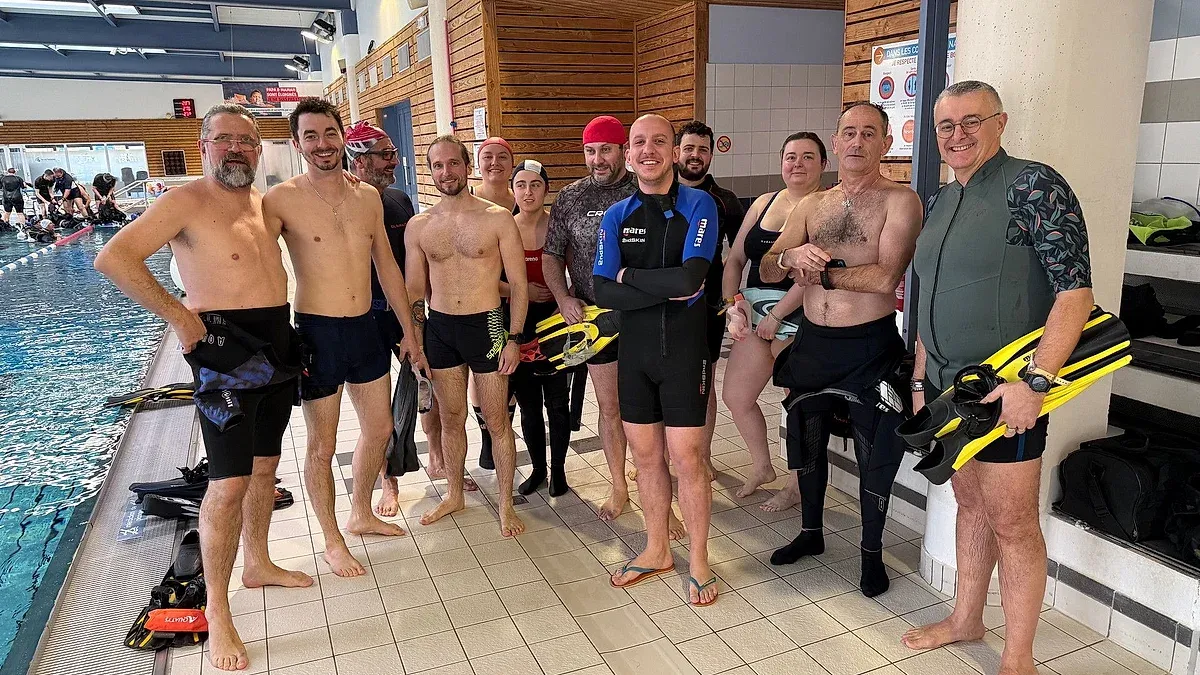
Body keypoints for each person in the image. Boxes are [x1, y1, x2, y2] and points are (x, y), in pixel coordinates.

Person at [94, 103, 313, 672]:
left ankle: (258, 562)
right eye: (224, 140)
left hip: (275, 346)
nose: (236, 148)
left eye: (246, 140)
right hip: (223, 352)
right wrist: (181, 319)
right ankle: (218, 612)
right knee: (227, 485)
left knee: (265, 467)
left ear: (259, 148)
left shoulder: (263, 204)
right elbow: (114, 258)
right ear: (204, 144)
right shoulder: (185, 202)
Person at [901, 81, 1094, 675]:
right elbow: (928, 293)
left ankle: (1018, 658)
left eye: (970, 122)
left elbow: (1076, 293)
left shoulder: (1034, 185)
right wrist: (918, 375)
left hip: (1009, 385)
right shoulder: (937, 200)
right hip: (945, 384)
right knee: (967, 500)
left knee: (1012, 520)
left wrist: (1035, 383)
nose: (956, 135)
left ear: (1000, 122)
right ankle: (966, 619)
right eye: (945, 125)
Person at [760, 103, 923, 598]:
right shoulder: (811, 204)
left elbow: (884, 278)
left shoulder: (901, 201)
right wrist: (789, 255)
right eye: (848, 132)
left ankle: (871, 556)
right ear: (836, 140)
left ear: (885, 141)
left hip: (868, 346)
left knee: (877, 450)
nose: (856, 142)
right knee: (805, 440)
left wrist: (821, 272)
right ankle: (811, 534)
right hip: (814, 341)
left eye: (868, 133)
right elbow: (767, 269)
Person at [264, 98, 424, 578]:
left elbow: (388, 267)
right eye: (309, 136)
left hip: (365, 329)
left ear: (342, 140)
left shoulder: (367, 197)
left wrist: (411, 331)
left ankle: (360, 512)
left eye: (328, 133)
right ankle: (332, 539)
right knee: (322, 443)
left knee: (379, 430)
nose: (321, 144)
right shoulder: (281, 199)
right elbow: (254, 259)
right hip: (318, 331)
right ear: (297, 144)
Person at [597, 114, 720, 606]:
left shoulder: (700, 205)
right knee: (646, 458)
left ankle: (699, 560)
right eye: (639, 143)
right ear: (629, 155)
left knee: (687, 459)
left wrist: (628, 278)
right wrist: (651, 286)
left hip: (687, 355)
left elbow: (690, 281)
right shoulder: (616, 215)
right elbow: (602, 290)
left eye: (659, 142)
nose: (648, 151)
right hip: (636, 357)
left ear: (673, 152)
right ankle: (655, 549)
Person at [405, 134, 528, 537]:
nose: (446, 172)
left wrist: (514, 337)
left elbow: (520, 285)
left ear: (466, 166)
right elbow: (414, 290)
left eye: (453, 164)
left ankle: (506, 504)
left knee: (497, 420)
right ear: (431, 172)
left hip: (489, 325)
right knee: (452, 418)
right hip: (441, 328)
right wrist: (416, 338)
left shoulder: (496, 217)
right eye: (437, 166)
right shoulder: (419, 226)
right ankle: (454, 493)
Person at [721, 133, 826, 508]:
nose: (797, 163)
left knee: (794, 403)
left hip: (799, 315)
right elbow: (735, 260)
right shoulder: (765, 202)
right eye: (790, 156)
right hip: (753, 311)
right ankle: (762, 466)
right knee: (736, 396)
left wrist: (778, 315)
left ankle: (797, 485)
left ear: (823, 165)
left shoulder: (825, 206)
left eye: (808, 157)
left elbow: (815, 271)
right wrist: (733, 305)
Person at [542, 115, 637, 522]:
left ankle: (657, 478)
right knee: (610, 406)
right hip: (596, 322)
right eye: (590, 150)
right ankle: (619, 485)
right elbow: (551, 255)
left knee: (652, 405)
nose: (597, 159)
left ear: (623, 151)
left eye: (606, 150)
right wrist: (563, 297)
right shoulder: (570, 197)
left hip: (642, 317)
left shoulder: (644, 190)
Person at [675, 120, 744, 480]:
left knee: (704, 379)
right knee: (664, 379)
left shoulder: (725, 201)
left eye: (703, 149)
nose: (696, 156)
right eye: (689, 148)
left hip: (708, 304)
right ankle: (668, 455)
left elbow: (738, 255)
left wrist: (735, 301)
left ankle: (701, 456)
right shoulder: (659, 192)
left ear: (711, 154)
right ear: (677, 152)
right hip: (665, 303)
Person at [510, 159, 572, 496]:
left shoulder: (557, 228)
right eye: (521, 185)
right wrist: (522, 291)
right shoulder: (504, 226)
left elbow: (577, 270)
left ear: (546, 189)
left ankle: (559, 471)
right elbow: (490, 280)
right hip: (519, 322)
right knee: (529, 404)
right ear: (513, 190)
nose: (528, 191)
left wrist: (566, 297)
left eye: (535, 184)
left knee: (558, 403)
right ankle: (537, 469)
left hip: (555, 321)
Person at [470, 136, 517, 472]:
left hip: (518, 301)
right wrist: (509, 289)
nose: (495, 163)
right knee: (481, 372)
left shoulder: (525, 200)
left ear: (512, 164)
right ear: (477, 163)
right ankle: (488, 435)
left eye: (503, 157)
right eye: (488, 157)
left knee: (511, 370)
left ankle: (504, 428)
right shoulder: (468, 202)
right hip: (483, 302)